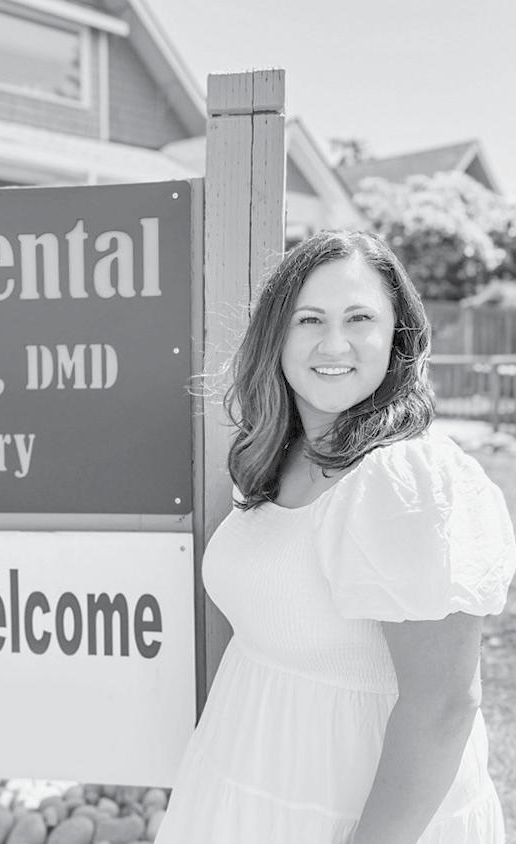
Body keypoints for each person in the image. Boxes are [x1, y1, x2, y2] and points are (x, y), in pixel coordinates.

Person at [155, 230, 516, 843]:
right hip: (245, 783)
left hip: (354, 816)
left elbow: (443, 707)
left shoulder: (406, 481)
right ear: (276, 334)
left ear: (398, 335)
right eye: (309, 319)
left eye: (359, 318)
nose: (332, 343)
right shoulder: (281, 453)